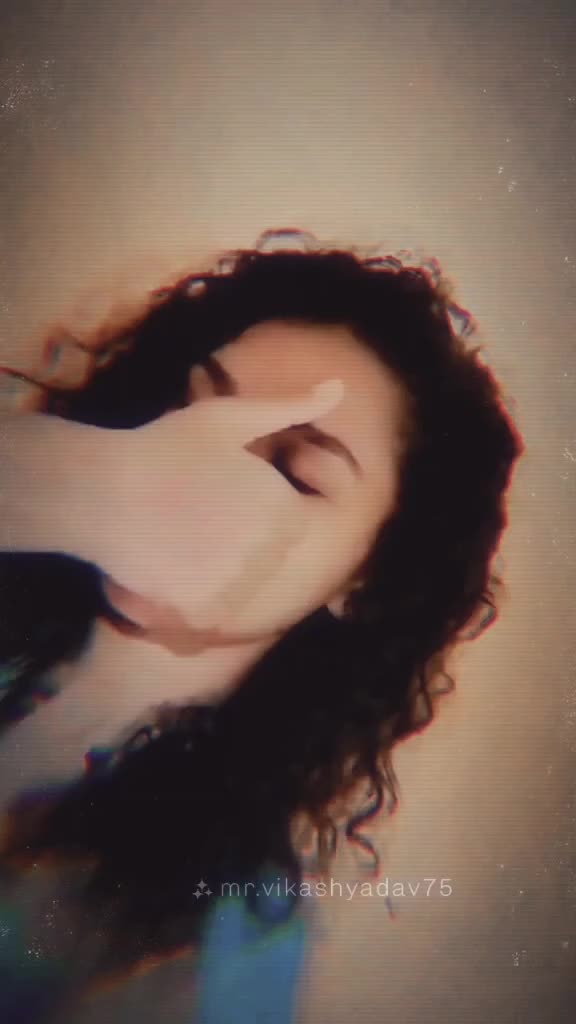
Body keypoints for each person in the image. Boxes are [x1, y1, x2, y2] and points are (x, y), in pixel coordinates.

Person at [0, 229, 524, 1017]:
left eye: (293, 472)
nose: (194, 476)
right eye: (196, 411)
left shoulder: (233, 932)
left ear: (369, 577)